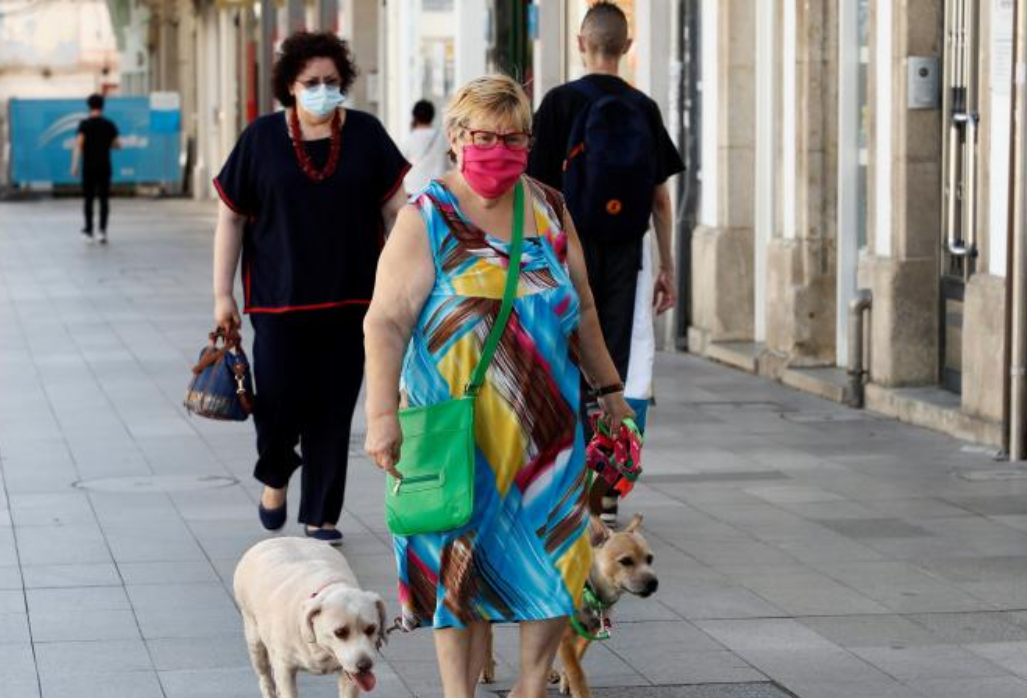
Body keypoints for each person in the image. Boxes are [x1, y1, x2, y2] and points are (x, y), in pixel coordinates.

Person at [363, 74, 635, 698]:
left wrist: (612, 390)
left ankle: (531, 687)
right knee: (456, 569)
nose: (501, 149)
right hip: (456, 432)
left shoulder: (549, 208)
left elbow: (585, 310)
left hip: (548, 437)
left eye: (515, 138)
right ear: (457, 138)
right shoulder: (427, 218)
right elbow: (386, 320)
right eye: (486, 136)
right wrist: (381, 416)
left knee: (554, 562)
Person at [213, 31, 409, 545]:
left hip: (353, 303)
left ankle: (321, 515)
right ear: (290, 87)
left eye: (331, 81)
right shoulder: (260, 140)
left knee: (332, 412)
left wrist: (414, 274)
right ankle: (275, 475)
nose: (323, 90)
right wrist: (222, 295)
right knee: (277, 406)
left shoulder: (366, 135)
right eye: (311, 82)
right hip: (278, 304)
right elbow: (230, 218)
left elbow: (398, 212)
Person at [527, 2, 684, 437]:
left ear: (581, 44)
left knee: (568, 351)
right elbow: (661, 201)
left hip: (567, 249)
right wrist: (667, 267)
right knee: (614, 361)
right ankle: (607, 481)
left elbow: (534, 191)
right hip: (626, 251)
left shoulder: (560, 103)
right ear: (627, 46)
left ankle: (571, 464)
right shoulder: (643, 107)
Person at [70, 94, 120, 244]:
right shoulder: (109, 124)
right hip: (105, 166)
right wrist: (106, 144)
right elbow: (117, 145)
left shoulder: (84, 125)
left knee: (88, 199)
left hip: (89, 168)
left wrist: (74, 166)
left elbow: (78, 145)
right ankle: (102, 232)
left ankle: (89, 230)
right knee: (104, 199)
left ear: (89, 106)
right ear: (102, 106)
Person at [402, 99, 450, 194]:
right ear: (432, 115)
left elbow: (400, 166)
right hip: (437, 192)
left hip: (413, 192)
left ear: (414, 116)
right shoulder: (443, 138)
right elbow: (450, 164)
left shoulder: (408, 140)